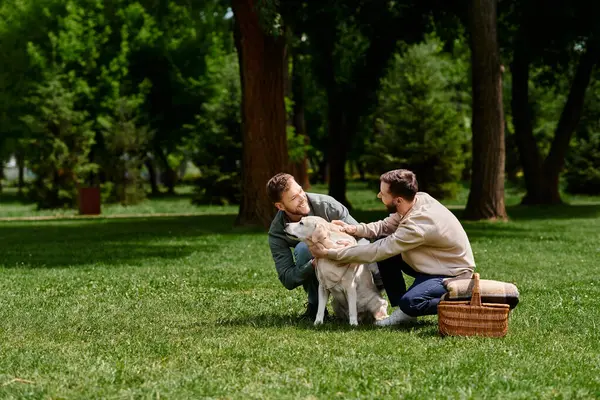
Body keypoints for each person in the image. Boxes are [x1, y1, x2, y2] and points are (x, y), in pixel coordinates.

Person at [308, 169, 475, 326]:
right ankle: (404, 310)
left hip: (451, 273)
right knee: (384, 247)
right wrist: (352, 229)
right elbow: (384, 226)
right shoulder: (417, 199)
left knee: (412, 302)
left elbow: (377, 251)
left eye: (383, 194)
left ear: (398, 200)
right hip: (431, 265)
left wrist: (330, 253)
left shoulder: (418, 225)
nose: (379, 195)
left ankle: (464, 303)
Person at [267, 173, 382, 320]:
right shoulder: (277, 232)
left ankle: (371, 302)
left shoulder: (327, 206)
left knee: (374, 256)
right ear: (280, 206)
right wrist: (314, 263)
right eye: (294, 198)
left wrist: (351, 245)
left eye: (301, 191)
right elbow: (287, 279)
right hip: (320, 269)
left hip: (349, 264)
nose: (302, 198)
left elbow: (362, 236)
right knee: (303, 249)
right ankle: (315, 307)